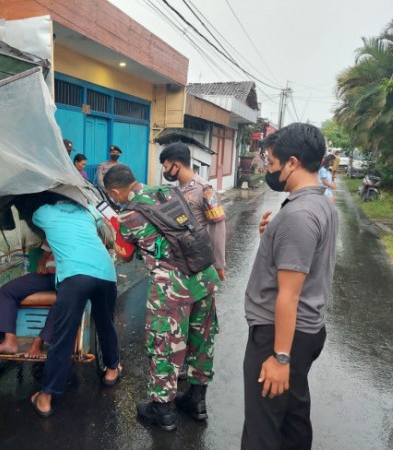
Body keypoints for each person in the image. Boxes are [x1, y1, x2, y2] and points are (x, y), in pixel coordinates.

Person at [241, 123, 338, 450]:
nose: (268, 169)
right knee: (293, 419)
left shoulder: (299, 214)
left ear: (292, 163)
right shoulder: (321, 203)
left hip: (280, 334)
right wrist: (271, 236)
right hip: (304, 330)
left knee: (263, 425)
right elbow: (303, 261)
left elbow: (289, 293)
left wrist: (280, 357)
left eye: (271, 163)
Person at [103, 164, 220, 432]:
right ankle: (196, 401)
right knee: (201, 339)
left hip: (172, 289)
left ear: (114, 192)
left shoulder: (127, 215)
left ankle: (162, 410)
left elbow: (124, 255)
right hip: (203, 275)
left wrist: (117, 227)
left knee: (165, 345)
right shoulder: (169, 192)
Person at [25, 193, 121, 418]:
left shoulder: (43, 212)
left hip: (76, 276)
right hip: (106, 272)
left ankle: (46, 397)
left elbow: (33, 230)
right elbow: (105, 228)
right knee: (106, 323)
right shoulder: (88, 209)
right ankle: (112, 369)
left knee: (63, 335)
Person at [159, 142, 226, 281]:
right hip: (180, 261)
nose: (164, 171)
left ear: (176, 165)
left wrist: (218, 264)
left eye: (165, 167)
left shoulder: (205, 190)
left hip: (200, 261)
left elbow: (217, 228)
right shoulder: (177, 189)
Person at [0, 240, 57, 358]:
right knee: (8, 290)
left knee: (65, 299)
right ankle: (9, 341)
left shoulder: (83, 230)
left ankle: (39, 341)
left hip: (70, 276)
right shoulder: (54, 229)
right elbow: (45, 255)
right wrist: (41, 263)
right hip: (48, 275)